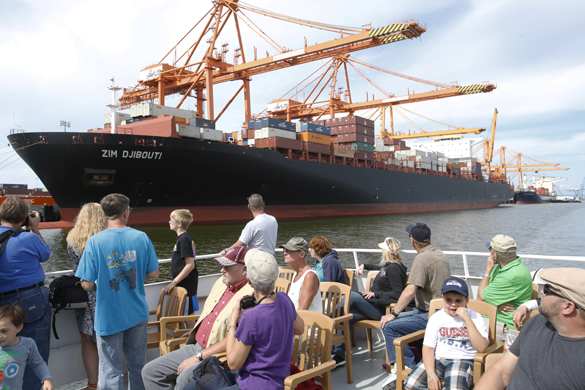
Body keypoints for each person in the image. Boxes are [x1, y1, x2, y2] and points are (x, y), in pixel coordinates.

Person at [76, 193, 160, 390]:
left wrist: (102, 283)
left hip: (108, 315)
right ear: (125, 212)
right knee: (137, 365)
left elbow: (86, 284)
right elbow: (154, 273)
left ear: (105, 214)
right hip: (137, 312)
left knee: (110, 370)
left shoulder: (95, 242)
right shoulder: (141, 237)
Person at [142, 246, 253, 390]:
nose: (222, 270)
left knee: (184, 379)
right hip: (197, 344)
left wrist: (199, 357)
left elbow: (238, 338)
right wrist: (198, 329)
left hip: (216, 354)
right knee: (150, 371)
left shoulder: (249, 297)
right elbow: (211, 313)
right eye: (221, 266)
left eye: (227, 267)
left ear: (244, 269)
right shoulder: (222, 283)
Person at [192, 248, 304, 390]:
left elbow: (233, 364)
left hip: (253, 385)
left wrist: (233, 322)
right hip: (278, 380)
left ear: (249, 281)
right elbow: (300, 329)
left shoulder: (250, 317)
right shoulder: (284, 300)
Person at [475, 268, 585, 390]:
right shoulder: (537, 323)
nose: (542, 292)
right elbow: (502, 372)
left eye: (548, 290)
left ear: (568, 307)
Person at [379, 223, 451, 389]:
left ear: (413, 241)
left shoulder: (422, 259)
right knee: (389, 322)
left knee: (388, 325)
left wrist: (394, 313)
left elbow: (410, 290)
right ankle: (404, 363)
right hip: (438, 311)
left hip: (431, 315)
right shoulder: (439, 254)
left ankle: (405, 369)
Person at [332, 237, 409, 367]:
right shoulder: (390, 266)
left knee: (352, 296)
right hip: (373, 306)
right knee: (345, 317)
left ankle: (327, 322)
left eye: (382, 249)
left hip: (382, 310)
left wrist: (375, 294)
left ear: (386, 251)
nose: (381, 252)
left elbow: (398, 294)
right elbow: (380, 268)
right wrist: (365, 265)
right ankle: (338, 354)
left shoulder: (394, 269)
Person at [0, 197, 51, 390]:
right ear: (24, 217)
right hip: (30, 300)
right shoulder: (28, 238)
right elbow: (46, 254)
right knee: (33, 355)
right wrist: (35, 228)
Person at [403, 277, 489, 390]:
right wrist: (431, 374)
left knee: (455, 387)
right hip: (438, 358)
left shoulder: (475, 317)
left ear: (467, 300)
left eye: (458, 301)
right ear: (443, 298)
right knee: (411, 383)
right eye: (449, 300)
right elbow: (428, 348)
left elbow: (482, 347)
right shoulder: (437, 318)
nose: (453, 305)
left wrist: (467, 319)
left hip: (463, 359)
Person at [66, 203, 107, 390]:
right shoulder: (104, 238)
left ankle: (93, 384)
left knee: (87, 340)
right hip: (104, 293)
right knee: (109, 339)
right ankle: (109, 380)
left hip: (83, 294)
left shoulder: (72, 237)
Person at [477, 234, 532, 342]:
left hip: (501, 324)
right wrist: (495, 305)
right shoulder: (504, 267)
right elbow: (482, 300)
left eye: (490, 250)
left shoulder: (510, 275)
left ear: (495, 255)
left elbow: (481, 298)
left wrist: (487, 271)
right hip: (493, 316)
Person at [0, 305, 54, 390]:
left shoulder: (27, 345)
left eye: (3, 331)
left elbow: (38, 363)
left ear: (19, 327)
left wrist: (47, 380)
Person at [164, 209, 198, 329]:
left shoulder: (183, 239)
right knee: (185, 316)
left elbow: (190, 264)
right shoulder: (183, 238)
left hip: (186, 285)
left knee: (187, 317)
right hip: (183, 284)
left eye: (171, 220)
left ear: (179, 223)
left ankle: (194, 344)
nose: (169, 222)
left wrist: (173, 283)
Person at [281, 237, 322, 313]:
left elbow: (302, 310)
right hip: (296, 319)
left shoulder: (310, 276)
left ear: (302, 254)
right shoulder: (296, 273)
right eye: (285, 250)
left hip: (307, 323)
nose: (284, 253)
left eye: (289, 250)